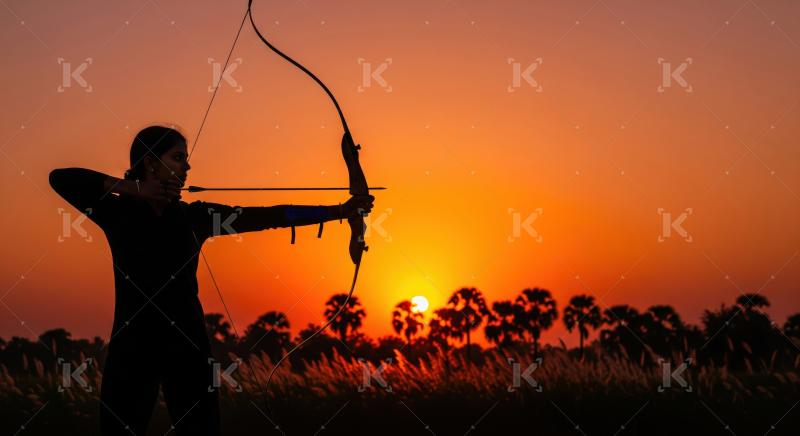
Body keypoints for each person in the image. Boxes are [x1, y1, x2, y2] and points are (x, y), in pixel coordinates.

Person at [48, 125, 374, 435]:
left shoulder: (195, 216)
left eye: (186, 159)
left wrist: (341, 211)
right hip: (133, 345)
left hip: (188, 346)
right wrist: (133, 188)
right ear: (149, 162)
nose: (187, 166)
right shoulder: (118, 213)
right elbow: (60, 178)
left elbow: (269, 215)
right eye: (178, 157)